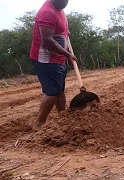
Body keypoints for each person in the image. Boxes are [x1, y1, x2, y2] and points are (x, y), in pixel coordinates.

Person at [30, 0, 78, 131]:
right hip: (46, 60)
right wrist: (67, 54)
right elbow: (47, 41)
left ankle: (63, 118)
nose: (65, 3)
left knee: (59, 90)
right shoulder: (48, 13)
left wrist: (65, 33)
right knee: (52, 92)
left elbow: (58, 29)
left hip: (58, 59)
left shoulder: (59, 8)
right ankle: (38, 124)